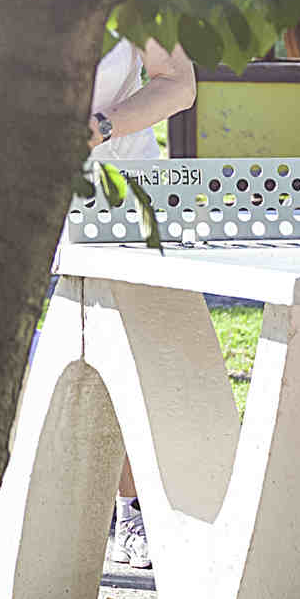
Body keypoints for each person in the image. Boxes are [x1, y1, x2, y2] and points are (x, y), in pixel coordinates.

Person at [86, 32, 196, 568]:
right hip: (8, 189)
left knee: (133, 355)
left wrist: (103, 126)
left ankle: (133, 510)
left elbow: (179, 85)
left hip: (118, 193)